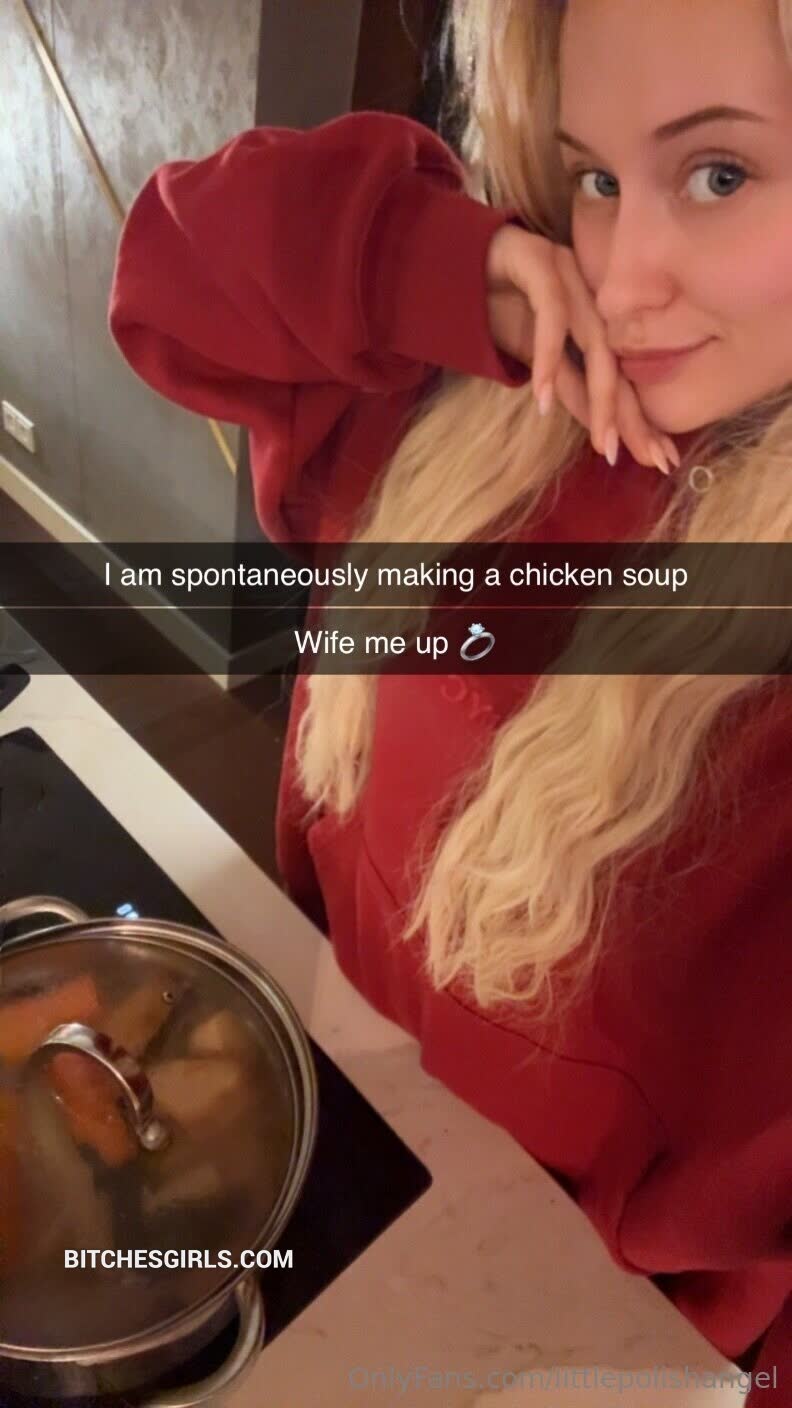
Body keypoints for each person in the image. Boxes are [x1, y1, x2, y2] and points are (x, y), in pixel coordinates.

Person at [109, 0, 791, 1397]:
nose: (621, 276)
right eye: (593, 177)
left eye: (719, 173)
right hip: (310, 1126)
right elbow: (169, 275)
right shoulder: (472, 394)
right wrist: (441, 266)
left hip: (569, 1352)